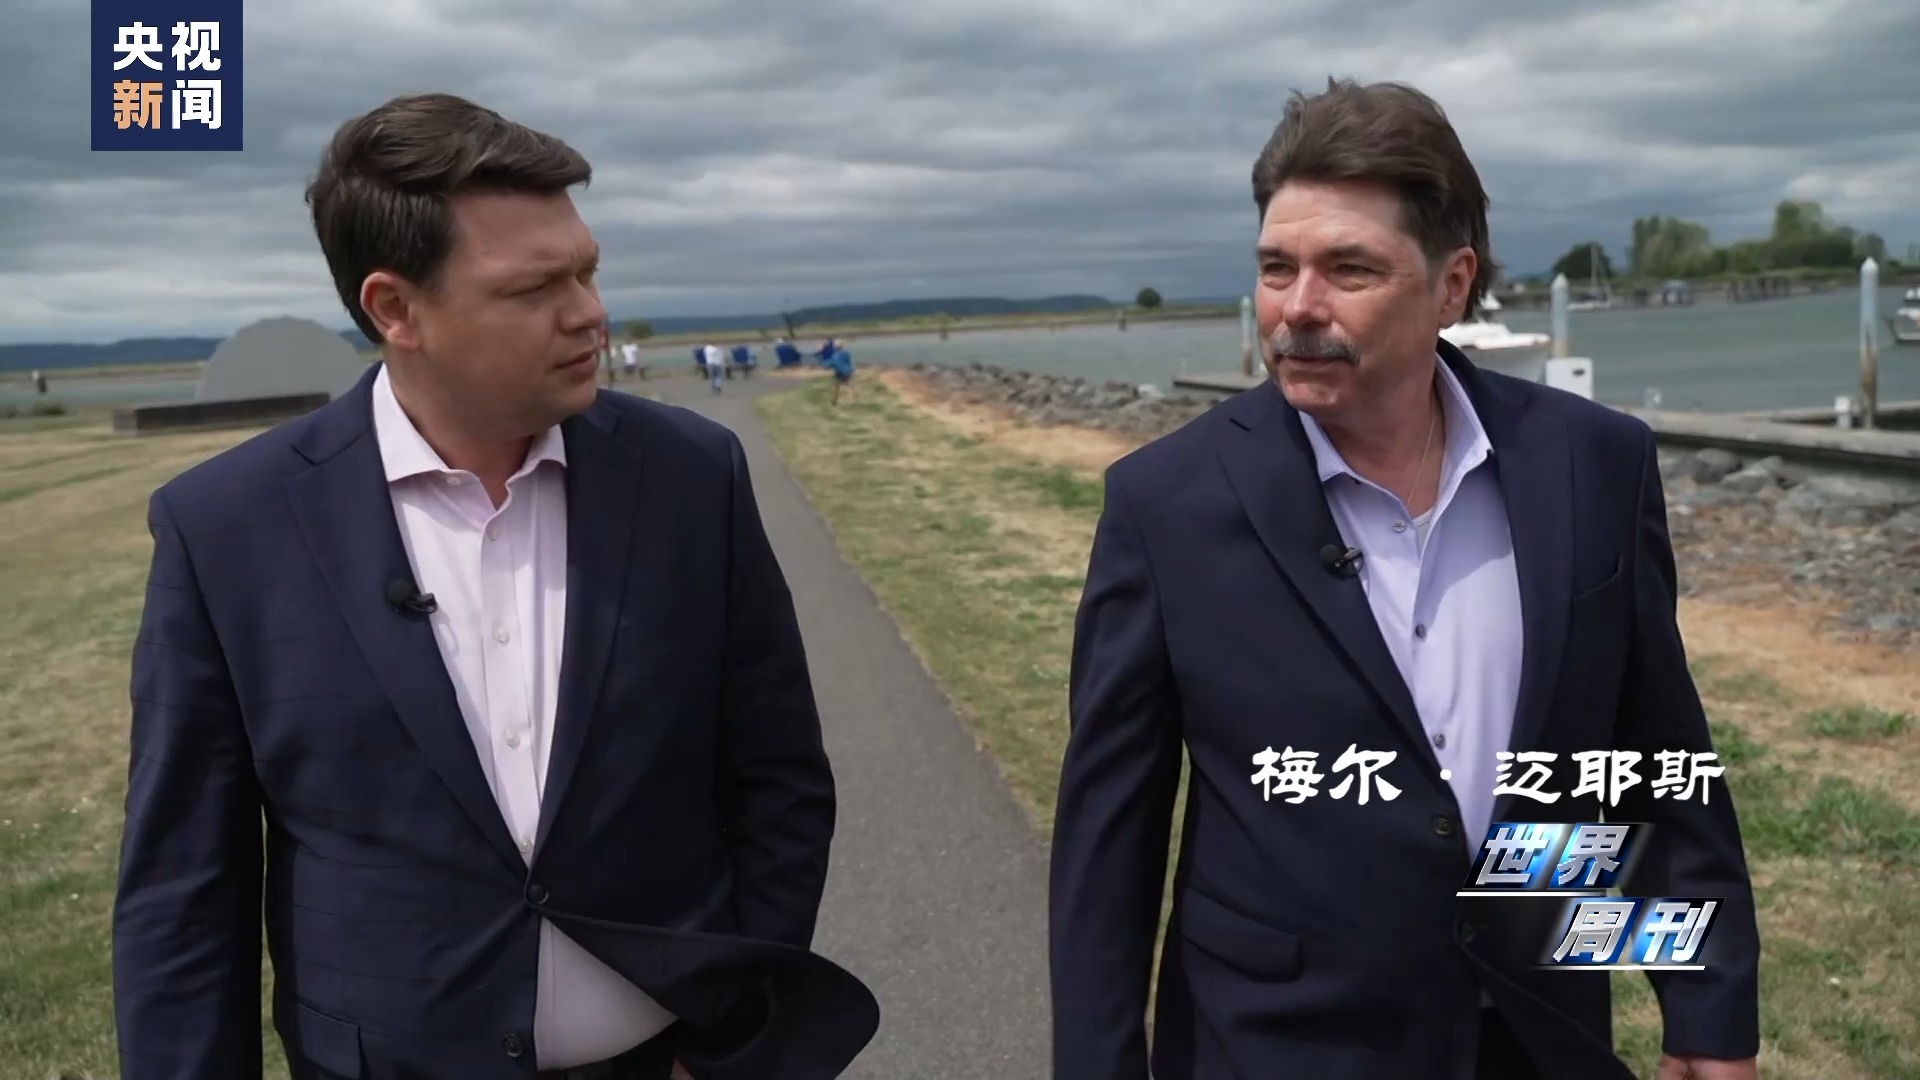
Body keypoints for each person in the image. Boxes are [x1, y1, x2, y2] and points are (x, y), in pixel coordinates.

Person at [112, 92, 877, 1080]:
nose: (589, 312)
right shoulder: (227, 528)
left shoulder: (692, 478)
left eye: (587, 271)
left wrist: (728, 1047)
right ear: (395, 309)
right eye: (534, 288)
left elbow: (778, 783)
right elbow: (184, 889)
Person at [1048, 78, 1759, 1080]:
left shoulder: (1592, 464)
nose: (1298, 307)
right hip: (1279, 1046)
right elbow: (1109, 842)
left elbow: (1653, 755)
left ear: (1452, 284)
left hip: (1540, 1033)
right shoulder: (1165, 505)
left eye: (1348, 269)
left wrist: (1706, 1008)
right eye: (1276, 268)